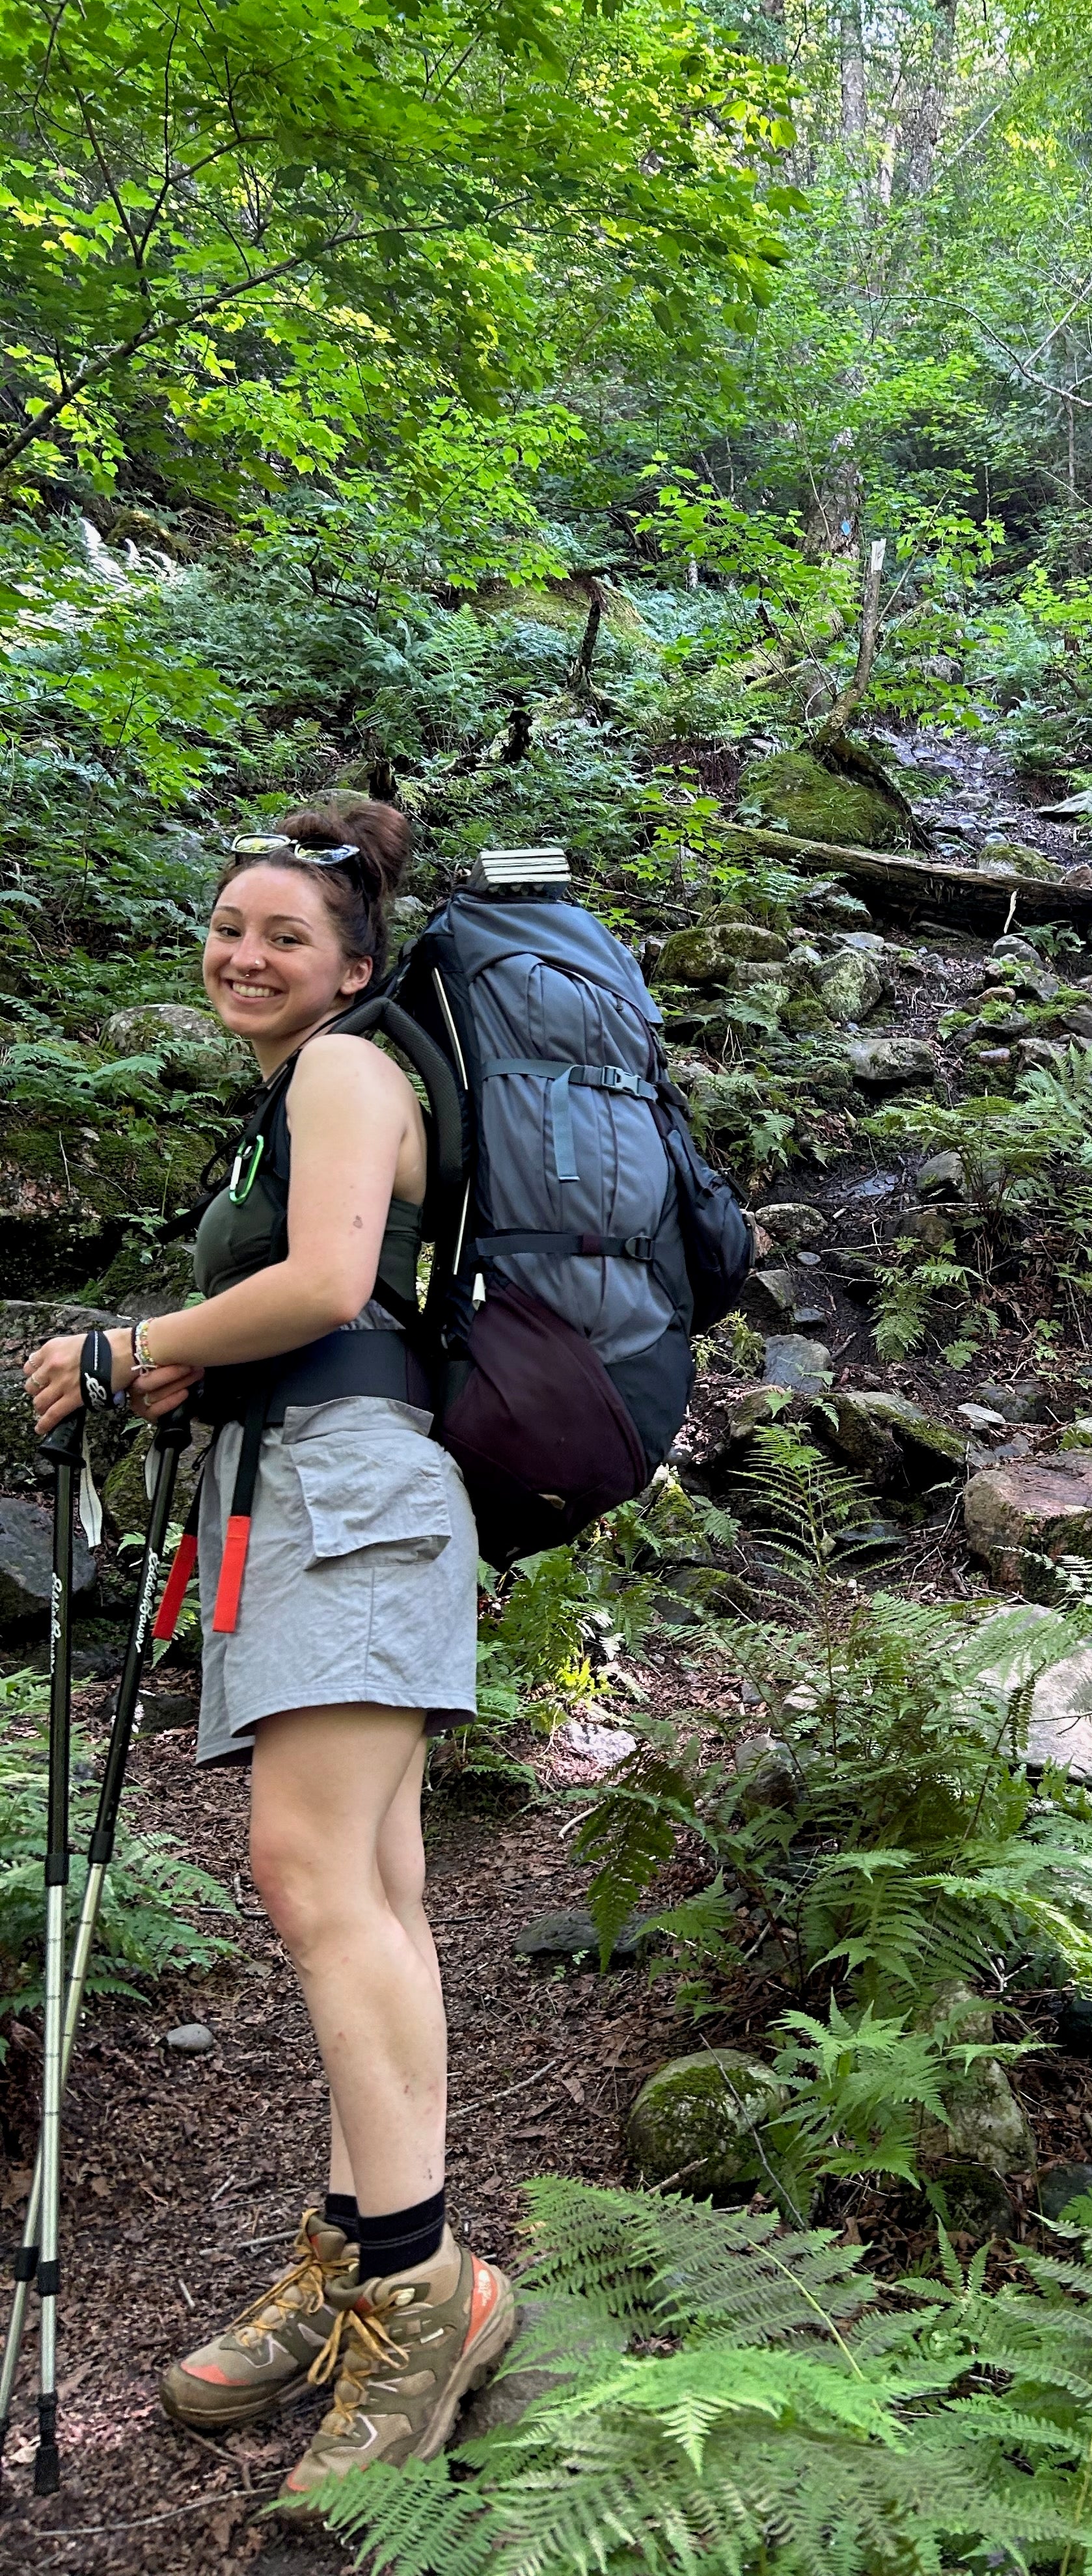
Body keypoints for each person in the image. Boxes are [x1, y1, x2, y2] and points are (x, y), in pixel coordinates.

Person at [23, 798, 514, 2505]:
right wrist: (193, 1368)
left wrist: (126, 1343)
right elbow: (325, 1301)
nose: (244, 954)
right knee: (372, 1888)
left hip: (348, 1495)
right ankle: (361, 2247)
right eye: (229, 927)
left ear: (355, 967)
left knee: (312, 1879)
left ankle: (422, 2294)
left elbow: (324, 1281)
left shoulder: (345, 1072)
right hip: (316, 1487)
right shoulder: (321, 1082)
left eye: (285, 935)